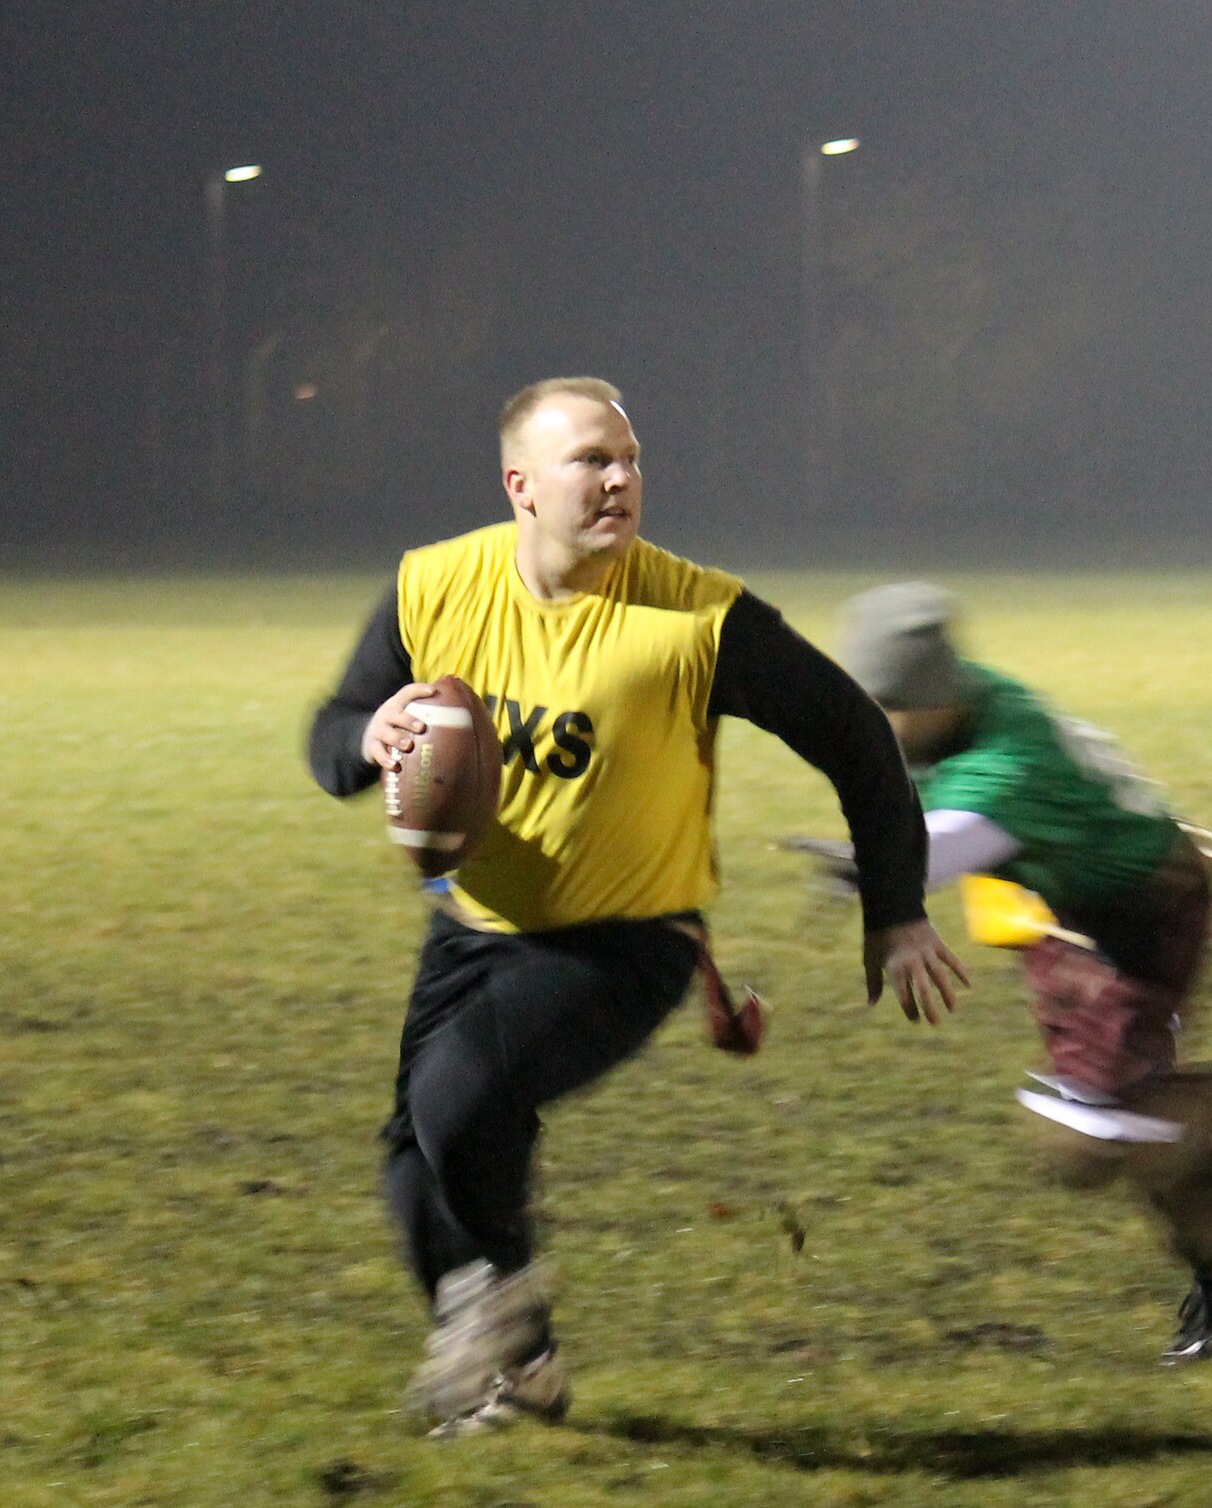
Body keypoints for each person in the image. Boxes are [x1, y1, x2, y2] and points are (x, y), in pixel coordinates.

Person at [307, 378, 968, 1436]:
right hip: (473, 929)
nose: (620, 479)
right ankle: (521, 1362)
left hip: (628, 942)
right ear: (520, 484)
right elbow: (332, 732)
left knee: (457, 1105)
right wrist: (366, 738)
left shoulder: (697, 617)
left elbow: (855, 735)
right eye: (591, 461)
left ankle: (494, 1308)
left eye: (629, 458)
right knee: (410, 1154)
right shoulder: (432, 586)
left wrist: (894, 908)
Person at [829, 582, 1212, 1363]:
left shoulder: (1004, 764)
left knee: (1081, 1138)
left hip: (1146, 916)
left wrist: (858, 870)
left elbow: (933, 856)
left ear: (933, 698)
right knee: (1139, 1127)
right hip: (1073, 918)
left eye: (886, 705)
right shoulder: (967, 703)